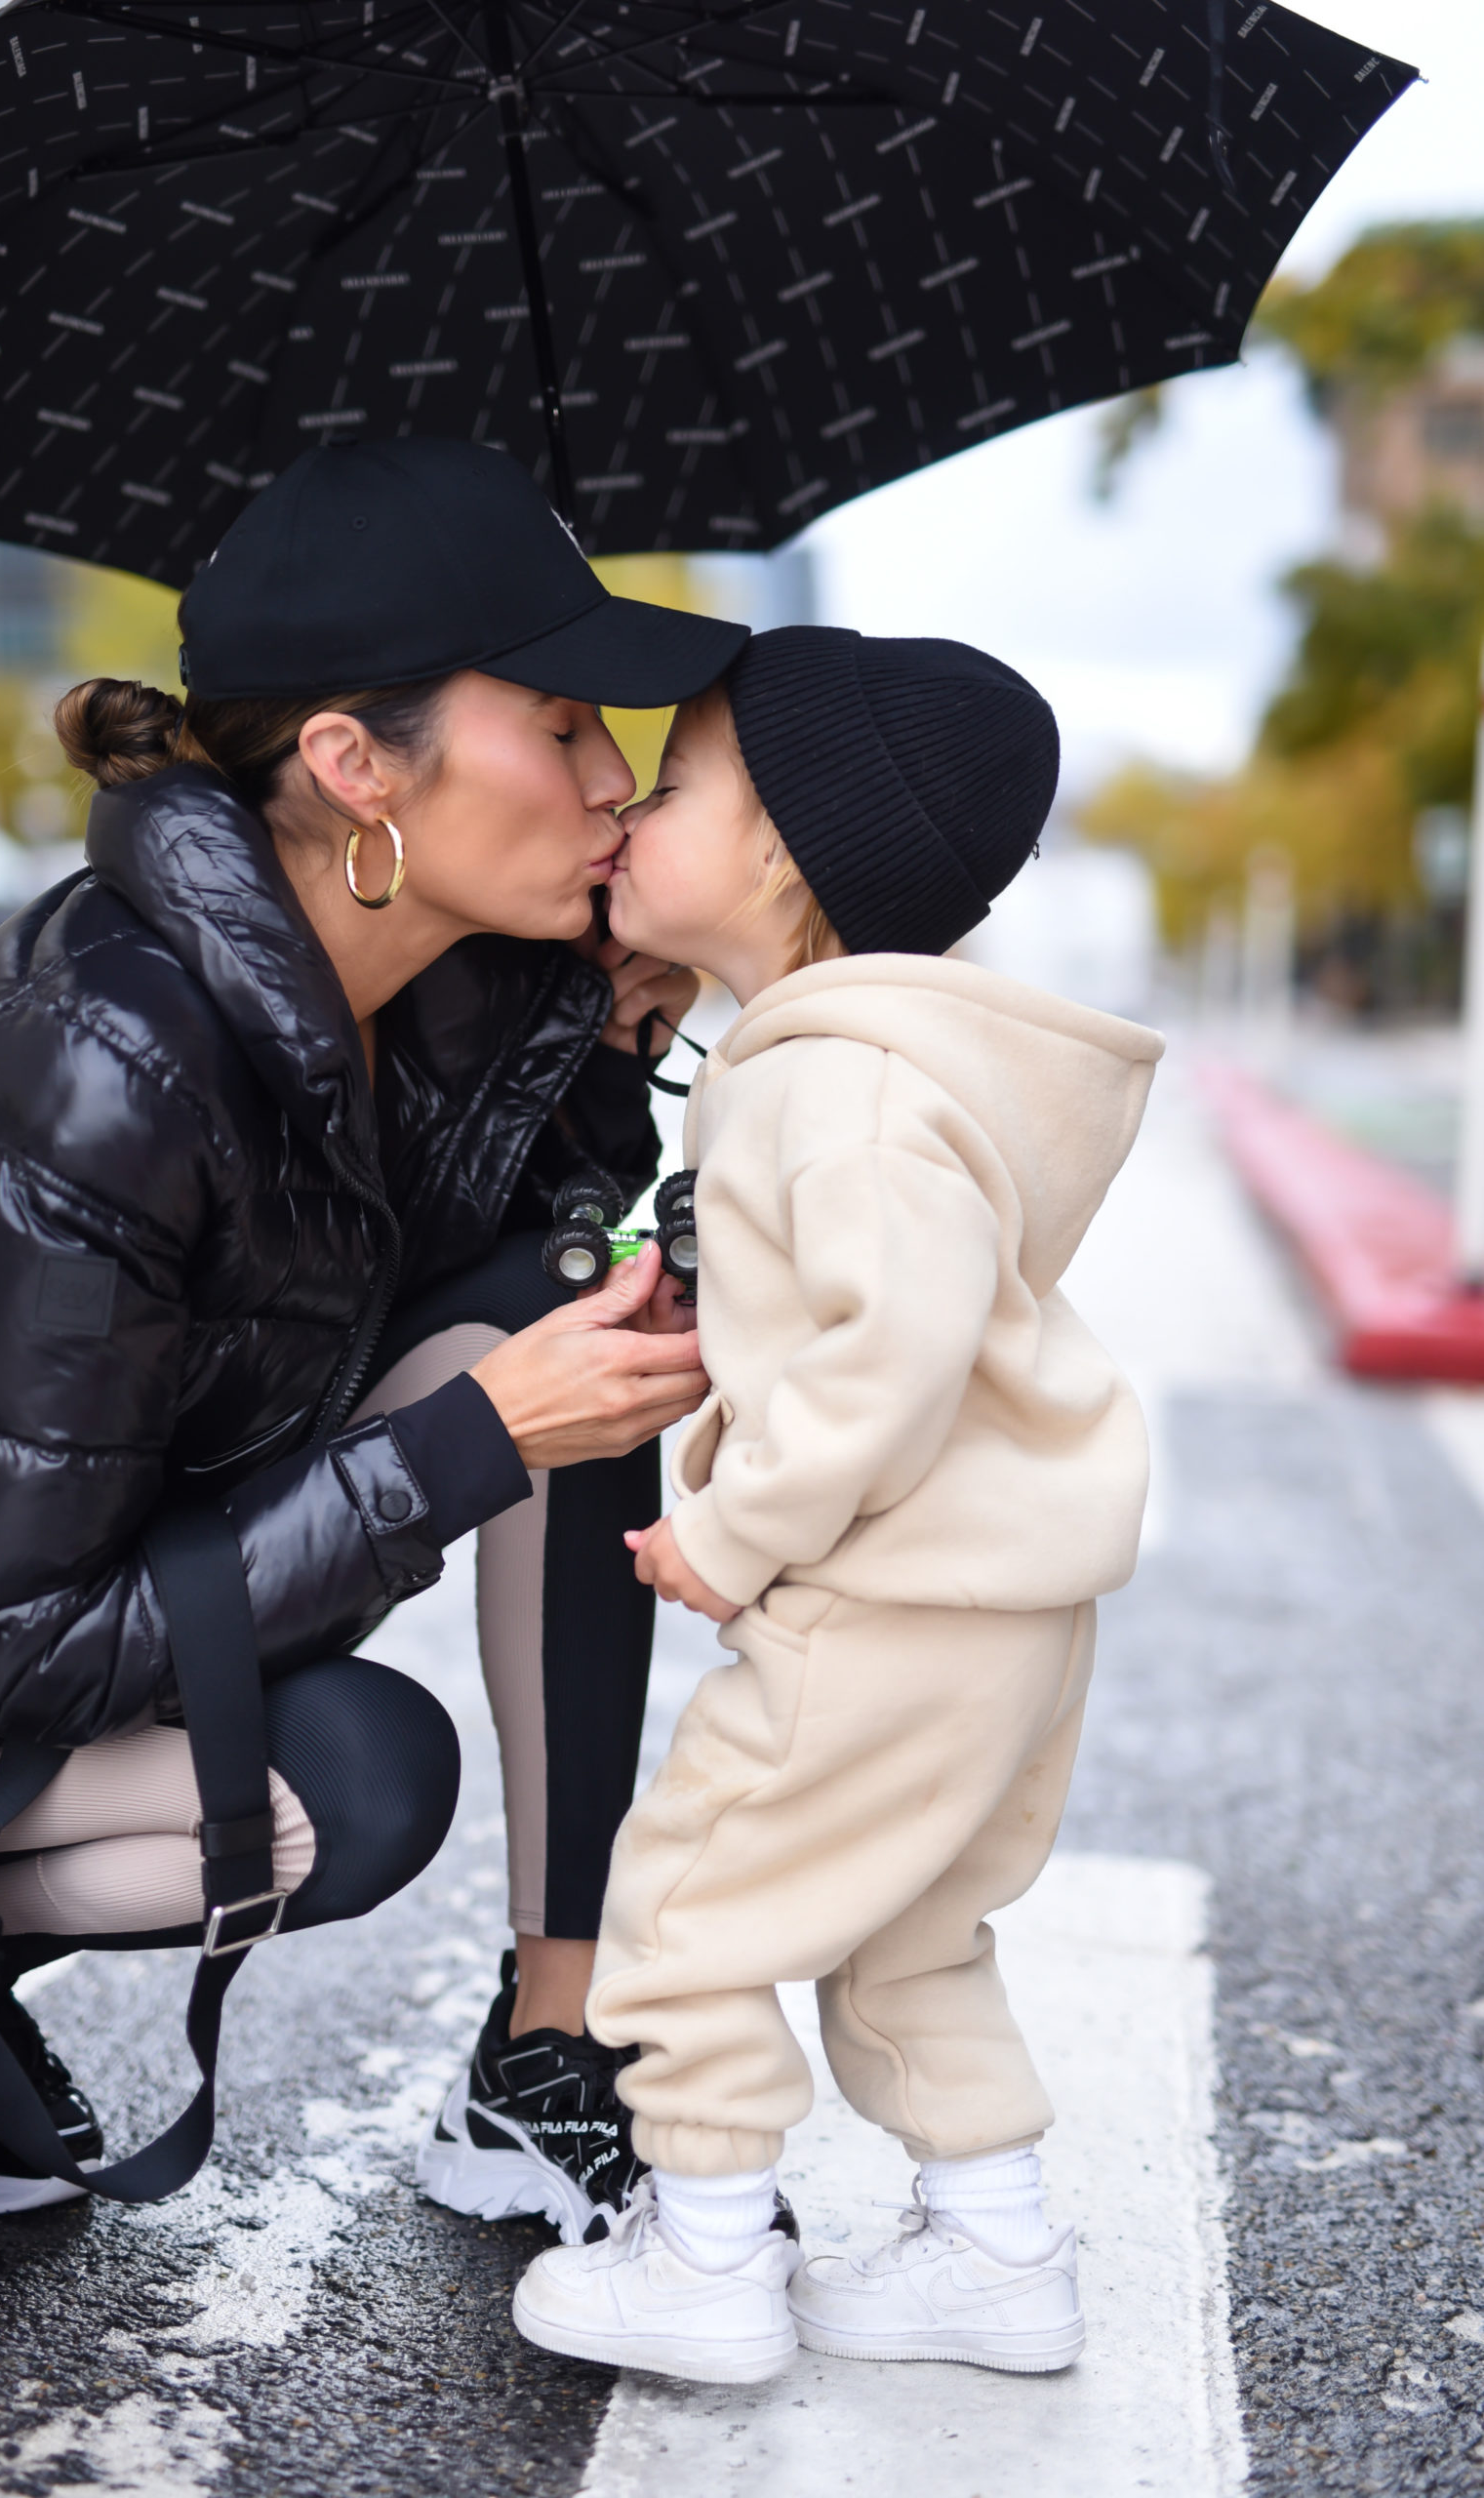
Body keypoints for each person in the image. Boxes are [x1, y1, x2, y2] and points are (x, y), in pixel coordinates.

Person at [0, 438, 734, 2233]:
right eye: (559, 726)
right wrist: (471, 1442)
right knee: (364, 1779)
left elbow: (458, 1271)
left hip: (107, 1562)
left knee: (573, 1328)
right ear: (350, 764)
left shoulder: (439, 973)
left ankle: (552, 2046)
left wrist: (604, 1055)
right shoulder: (99, 1058)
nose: (613, 782)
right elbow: (25, 1638)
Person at [511, 628, 1165, 2385]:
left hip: (890, 1604)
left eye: (671, 785)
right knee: (905, 1931)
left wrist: (728, 1533)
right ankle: (996, 2248)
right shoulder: (860, 1063)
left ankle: (706, 2253)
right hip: (994, 1604)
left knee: (688, 1899)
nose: (624, 811)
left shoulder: (837, 1086)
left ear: (787, 854)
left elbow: (891, 1353)